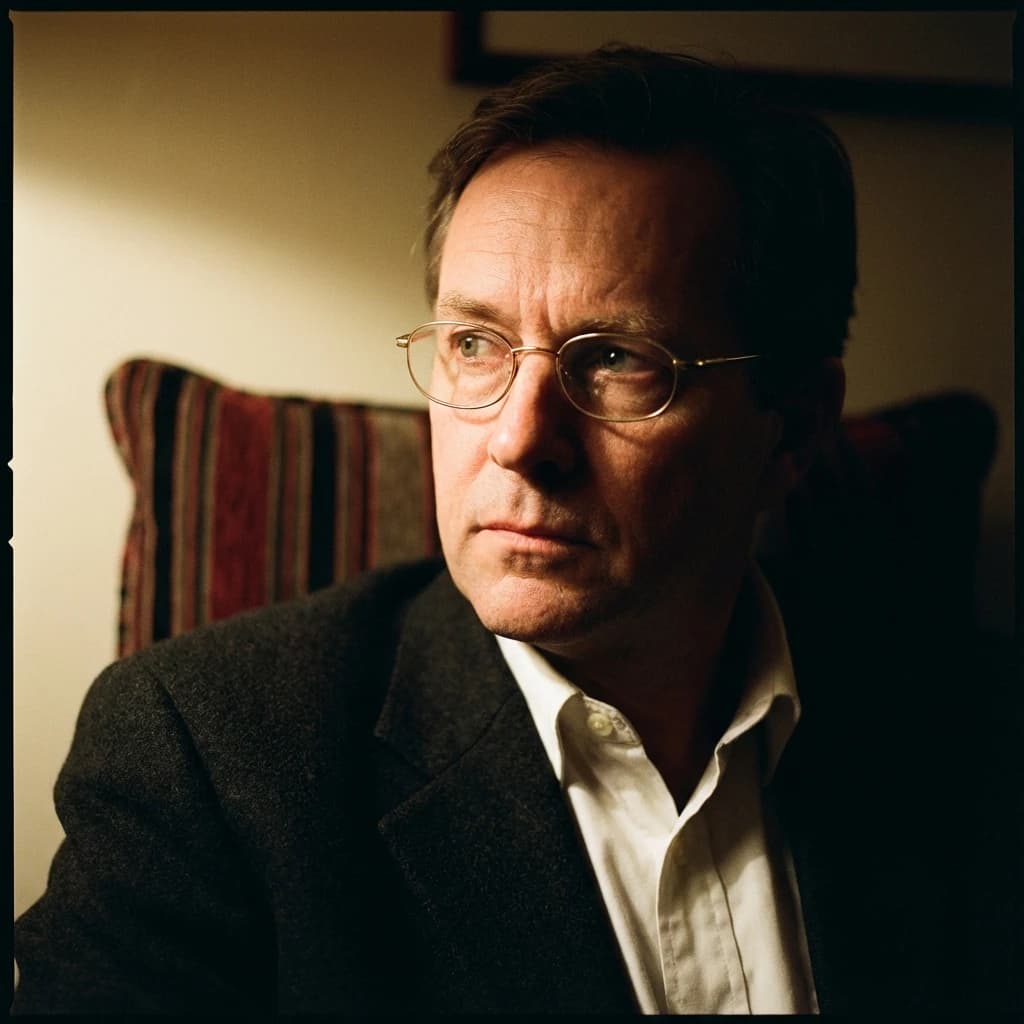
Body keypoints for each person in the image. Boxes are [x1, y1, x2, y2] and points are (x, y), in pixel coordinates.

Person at [12, 46, 1017, 1014]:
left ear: (791, 425)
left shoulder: (971, 737)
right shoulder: (202, 757)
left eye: (618, 358)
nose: (520, 440)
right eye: (475, 344)